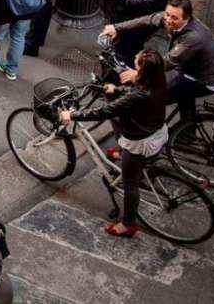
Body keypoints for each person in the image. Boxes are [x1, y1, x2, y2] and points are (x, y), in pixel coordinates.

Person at [61, 49, 169, 239]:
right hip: (155, 133)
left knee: (130, 183)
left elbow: (104, 112)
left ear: (143, 71)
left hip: (140, 142)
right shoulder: (158, 83)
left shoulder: (138, 96)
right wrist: (117, 89)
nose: (133, 65)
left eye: (136, 64)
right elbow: (135, 91)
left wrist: (73, 115)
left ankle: (128, 224)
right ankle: (122, 155)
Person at [102, 0, 214, 123]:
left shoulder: (193, 38)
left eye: (174, 18)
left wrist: (139, 74)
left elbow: (168, 61)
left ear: (187, 18)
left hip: (204, 80)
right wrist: (116, 27)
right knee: (184, 98)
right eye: (167, 14)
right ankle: (186, 134)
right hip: (192, 70)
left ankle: (154, 135)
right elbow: (147, 20)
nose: (168, 20)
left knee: (154, 98)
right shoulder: (170, 17)